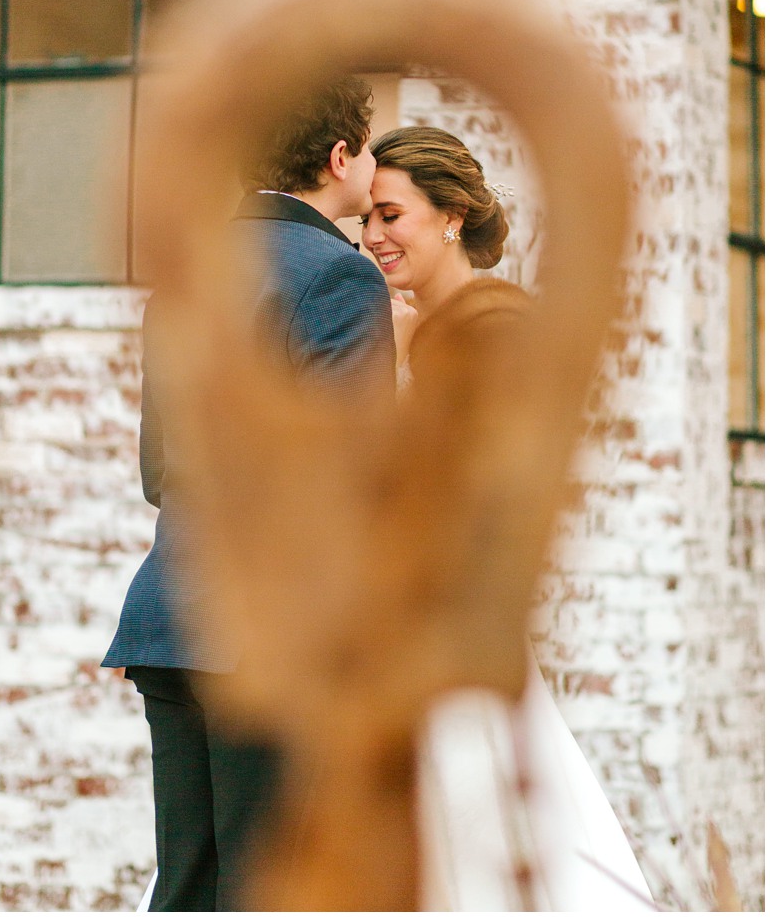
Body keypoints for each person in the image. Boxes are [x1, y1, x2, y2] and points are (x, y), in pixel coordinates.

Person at [102, 76, 396, 911]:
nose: (371, 171)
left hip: (168, 619)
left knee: (188, 881)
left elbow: (159, 469)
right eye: (367, 150)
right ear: (338, 157)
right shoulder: (341, 277)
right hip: (268, 630)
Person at [363, 125, 654, 910]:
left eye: (391, 214)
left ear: (452, 214)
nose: (372, 236)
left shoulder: (490, 328)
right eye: (365, 219)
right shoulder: (408, 324)